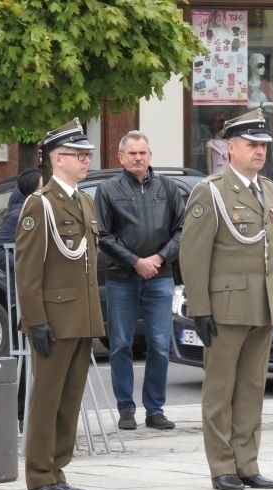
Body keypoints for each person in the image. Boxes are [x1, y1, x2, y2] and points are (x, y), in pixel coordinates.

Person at [179, 109, 273, 490]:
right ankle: (222, 465)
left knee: (252, 388)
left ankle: (247, 462)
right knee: (220, 391)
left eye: (264, 145)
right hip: (225, 307)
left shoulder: (269, 190)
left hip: (261, 304)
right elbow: (193, 255)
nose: (260, 151)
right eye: (252, 144)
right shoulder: (211, 191)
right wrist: (200, 308)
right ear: (230, 147)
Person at [15, 118, 103, 490]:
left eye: (86, 155)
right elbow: (28, 269)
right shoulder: (41, 205)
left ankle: (57, 467)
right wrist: (35, 320)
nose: (86, 161)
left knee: (69, 400)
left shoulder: (84, 200)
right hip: (53, 318)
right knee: (46, 400)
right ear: (57, 159)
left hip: (80, 316)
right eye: (78, 155)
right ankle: (39, 475)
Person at [95, 131, 185, 431]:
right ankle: (125, 408)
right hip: (122, 277)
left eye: (142, 153)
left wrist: (158, 259)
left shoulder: (168, 188)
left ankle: (155, 409)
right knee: (120, 344)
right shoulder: (108, 190)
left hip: (160, 277)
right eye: (132, 153)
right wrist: (135, 262)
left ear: (150, 155)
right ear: (121, 157)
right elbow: (103, 236)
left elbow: (183, 230)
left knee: (159, 345)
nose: (138, 158)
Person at [0, 168, 43, 433]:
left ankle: (34, 413)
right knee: (22, 358)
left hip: (44, 296)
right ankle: (20, 414)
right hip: (20, 298)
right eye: (42, 186)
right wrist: (24, 265)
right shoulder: (17, 215)